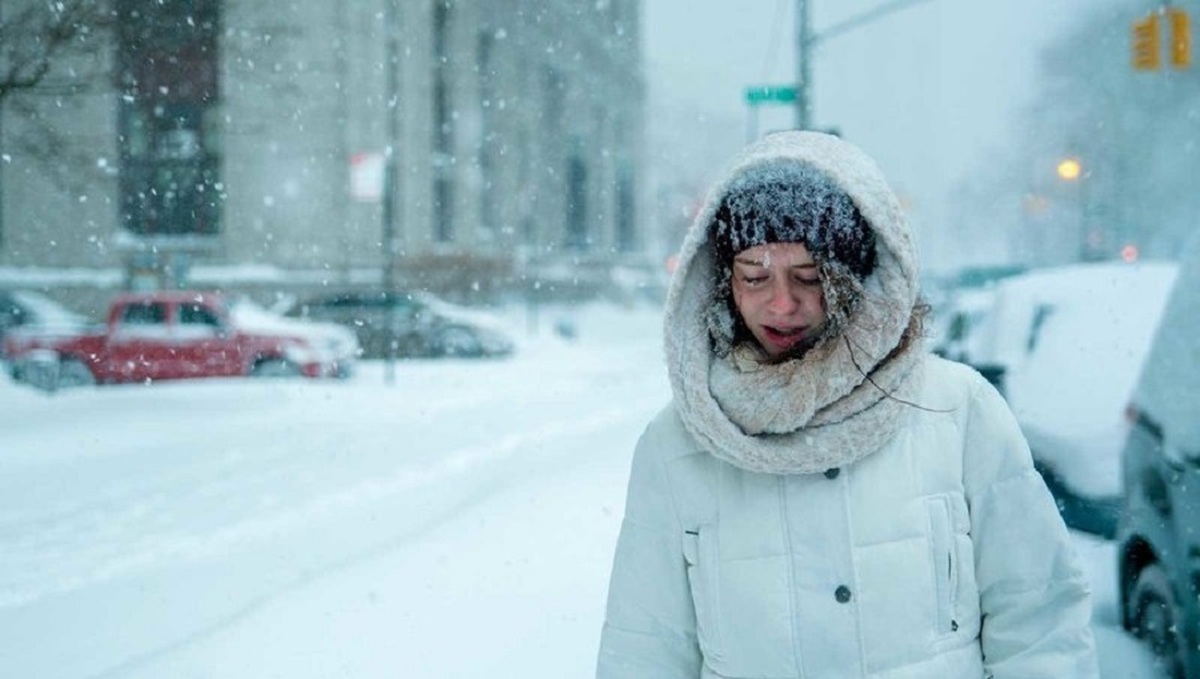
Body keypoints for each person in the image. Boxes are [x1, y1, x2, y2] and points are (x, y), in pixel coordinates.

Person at [596, 131, 1098, 678]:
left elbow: (1038, 621)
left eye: (809, 277)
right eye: (754, 276)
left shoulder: (957, 410)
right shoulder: (678, 445)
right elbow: (646, 650)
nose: (782, 303)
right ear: (725, 284)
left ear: (853, 279)